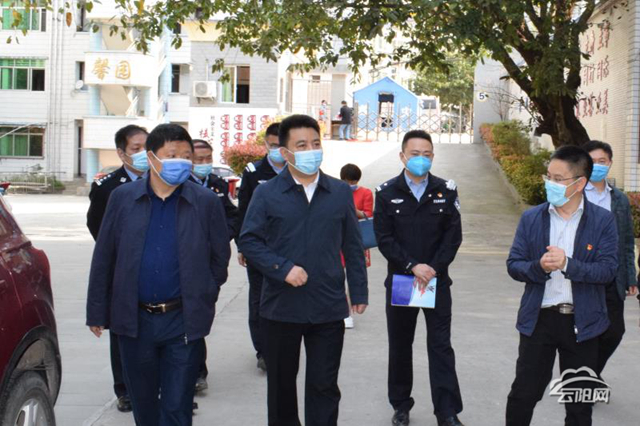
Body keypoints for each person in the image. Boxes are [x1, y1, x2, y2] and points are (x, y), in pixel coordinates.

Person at [86, 124, 231, 426]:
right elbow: (105, 257)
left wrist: (204, 292)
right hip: (134, 320)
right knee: (144, 404)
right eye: (172, 155)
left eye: (186, 156)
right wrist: (97, 310)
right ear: (152, 158)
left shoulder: (205, 201)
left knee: (178, 405)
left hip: (182, 320)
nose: (181, 162)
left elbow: (220, 256)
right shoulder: (122, 198)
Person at [238, 114, 368, 426]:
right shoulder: (267, 193)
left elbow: (353, 244)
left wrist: (359, 290)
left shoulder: (339, 192)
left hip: (328, 305)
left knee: (324, 385)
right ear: (285, 152)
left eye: (315, 143)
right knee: (281, 387)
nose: (311, 150)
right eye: (301, 145)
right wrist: (282, 268)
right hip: (281, 306)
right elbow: (249, 240)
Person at [505, 146, 618, 426]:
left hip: (584, 322)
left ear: (579, 183)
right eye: (548, 177)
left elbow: (607, 271)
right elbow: (514, 264)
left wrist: (568, 264)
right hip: (539, 319)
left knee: (579, 404)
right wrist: (539, 267)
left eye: (558, 179)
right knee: (523, 394)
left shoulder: (602, 220)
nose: (550, 184)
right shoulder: (532, 218)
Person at [373, 130, 464, 426]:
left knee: (440, 347)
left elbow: (453, 237)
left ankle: (447, 411)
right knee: (401, 346)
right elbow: (384, 239)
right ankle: (401, 405)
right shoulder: (386, 192)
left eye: (427, 154)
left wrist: (432, 268)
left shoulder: (446, 190)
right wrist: (412, 266)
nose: (421, 159)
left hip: (436, 280)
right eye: (415, 154)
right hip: (404, 281)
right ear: (402, 157)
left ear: (433, 157)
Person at [85, 124, 149, 413]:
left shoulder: (163, 180)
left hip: (157, 270)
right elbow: (98, 227)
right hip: (122, 271)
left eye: (147, 147)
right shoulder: (108, 187)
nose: (144, 153)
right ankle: (124, 389)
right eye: (137, 149)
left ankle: (158, 387)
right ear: (122, 154)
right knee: (122, 332)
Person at [582, 140, 638, 378]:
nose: (597, 165)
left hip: (613, 275)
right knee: (586, 331)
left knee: (615, 331)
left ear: (610, 163)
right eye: (592, 161)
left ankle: (589, 374)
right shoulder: (574, 195)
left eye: (602, 161)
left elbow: (626, 240)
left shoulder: (619, 199)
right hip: (583, 273)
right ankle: (585, 378)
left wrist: (630, 277)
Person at [188, 138, 240, 392]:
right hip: (187, 261)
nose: (204, 163)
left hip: (211, 263)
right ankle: (194, 372)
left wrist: (221, 235)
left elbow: (233, 215)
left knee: (199, 318)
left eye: (207, 159)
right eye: (198, 159)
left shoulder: (218, 184)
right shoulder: (179, 186)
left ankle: (198, 371)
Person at [237, 122, 286, 372]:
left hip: (288, 247)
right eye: (273, 145)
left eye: (281, 145)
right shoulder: (253, 172)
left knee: (287, 298)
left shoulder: (298, 170)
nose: (277, 150)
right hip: (259, 248)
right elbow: (243, 211)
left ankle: (283, 346)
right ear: (266, 144)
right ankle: (263, 351)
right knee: (259, 299)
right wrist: (242, 246)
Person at [340, 163, 374, 329]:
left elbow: (368, 215)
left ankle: (349, 312)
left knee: (353, 275)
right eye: (347, 182)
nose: (350, 185)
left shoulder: (366, 193)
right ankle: (343, 311)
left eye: (353, 182)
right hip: (337, 238)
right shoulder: (337, 192)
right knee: (339, 276)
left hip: (357, 239)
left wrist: (353, 210)